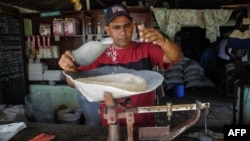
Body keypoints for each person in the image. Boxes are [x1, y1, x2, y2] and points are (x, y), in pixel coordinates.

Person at [58, 4, 183, 127]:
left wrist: (164, 41)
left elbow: (176, 58)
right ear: (107, 30)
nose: (123, 32)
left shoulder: (146, 49)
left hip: (144, 123)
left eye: (127, 26)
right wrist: (70, 69)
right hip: (111, 124)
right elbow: (73, 83)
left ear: (133, 26)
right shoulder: (98, 53)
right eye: (116, 27)